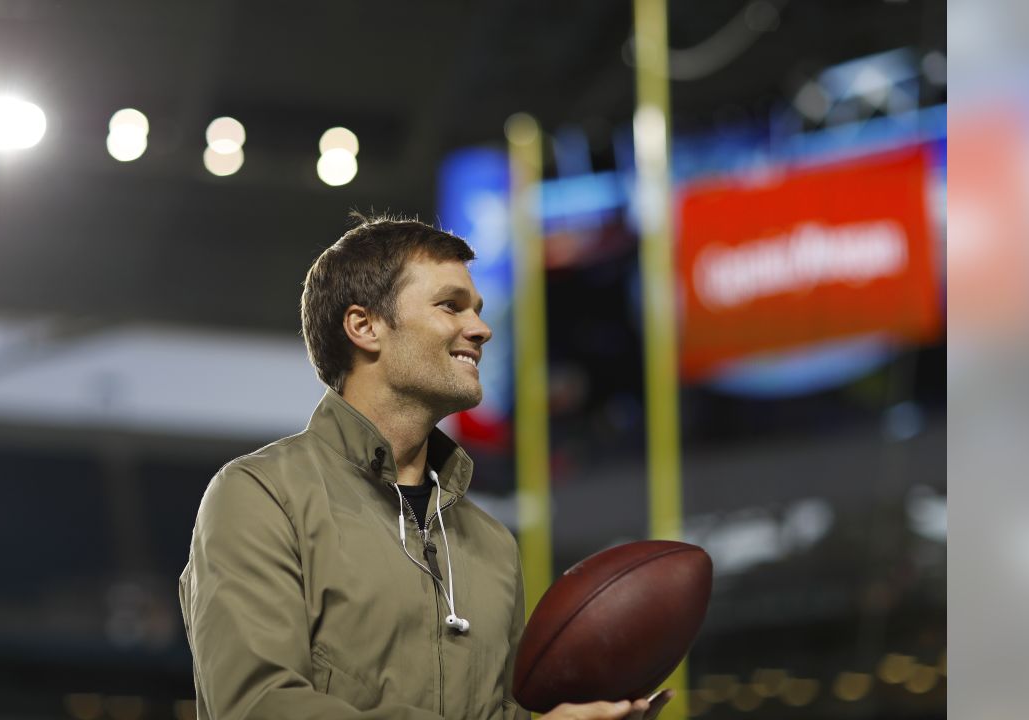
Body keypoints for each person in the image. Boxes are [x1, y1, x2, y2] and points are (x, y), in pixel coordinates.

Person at [178, 214, 671, 720]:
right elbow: (258, 708)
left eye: (476, 310)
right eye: (450, 306)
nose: (480, 329)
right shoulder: (261, 496)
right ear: (365, 326)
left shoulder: (492, 545)